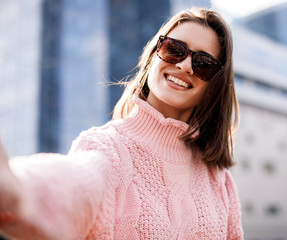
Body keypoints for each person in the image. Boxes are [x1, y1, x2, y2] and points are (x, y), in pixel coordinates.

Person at [0, 7, 244, 240]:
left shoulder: (219, 178)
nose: (184, 65)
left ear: (215, 85)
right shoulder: (106, 148)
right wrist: (19, 190)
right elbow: (78, 183)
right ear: (152, 58)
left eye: (203, 64)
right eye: (174, 49)